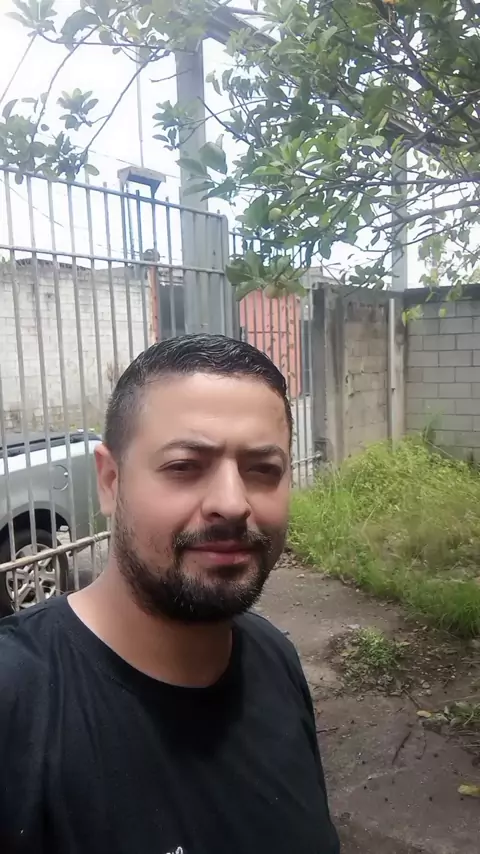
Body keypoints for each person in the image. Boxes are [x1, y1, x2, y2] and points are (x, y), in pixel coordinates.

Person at [0, 334, 339, 854]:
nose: (233, 504)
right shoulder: (16, 703)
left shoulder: (277, 659)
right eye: (184, 466)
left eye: (263, 470)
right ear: (110, 481)